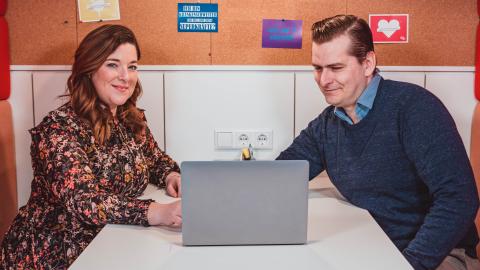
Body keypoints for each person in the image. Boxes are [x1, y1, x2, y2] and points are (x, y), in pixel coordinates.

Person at [277, 15, 480, 270]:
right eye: (318, 68)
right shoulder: (327, 124)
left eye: (336, 68)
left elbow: (459, 199)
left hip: (438, 254)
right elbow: (281, 175)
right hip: (374, 247)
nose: (323, 80)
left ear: (368, 63)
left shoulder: (415, 108)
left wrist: (408, 264)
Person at [0, 24, 182, 269]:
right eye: (112, 64)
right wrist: (158, 212)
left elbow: (155, 159)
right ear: (89, 69)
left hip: (113, 239)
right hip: (56, 252)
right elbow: (85, 201)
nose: (125, 76)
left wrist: (171, 175)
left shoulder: (130, 118)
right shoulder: (58, 128)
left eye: (132, 66)